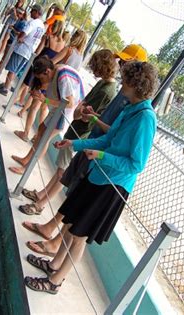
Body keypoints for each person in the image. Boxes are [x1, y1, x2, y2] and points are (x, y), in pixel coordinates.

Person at [23, 61, 159, 294]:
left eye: (126, 79)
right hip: (98, 176)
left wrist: (102, 156)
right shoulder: (129, 109)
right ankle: (54, 264)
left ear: (136, 84)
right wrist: (75, 143)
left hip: (111, 185)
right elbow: (107, 140)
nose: (122, 82)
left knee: (79, 237)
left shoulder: (145, 118)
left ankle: (55, 281)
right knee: (71, 223)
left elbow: (136, 164)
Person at [17, 49, 118, 216]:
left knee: (63, 171)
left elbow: (84, 111)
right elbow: (82, 104)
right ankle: (40, 195)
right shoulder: (103, 84)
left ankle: (40, 205)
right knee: (60, 168)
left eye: (95, 65)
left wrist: (80, 112)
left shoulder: (108, 90)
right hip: (76, 128)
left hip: (81, 133)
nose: (92, 68)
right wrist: (80, 111)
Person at [8, 56, 84, 175]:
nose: (41, 81)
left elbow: (70, 103)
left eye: (41, 78)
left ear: (47, 71)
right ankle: (26, 159)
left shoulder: (62, 77)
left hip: (65, 114)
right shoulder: (55, 71)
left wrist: (45, 100)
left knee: (44, 138)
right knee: (41, 129)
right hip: (58, 109)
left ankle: (26, 169)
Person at [14, 30, 88, 142]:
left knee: (34, 106)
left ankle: (26, 133)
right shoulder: (80, 56)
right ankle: (37, 136)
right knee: (45, 109)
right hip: (61, 91)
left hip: (51, 82)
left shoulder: (69, 49)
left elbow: (52, 63)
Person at [0, 4, 45, 96]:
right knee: (16, 70)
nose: (30, 12)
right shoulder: (42, 26)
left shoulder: (32, 22)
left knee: (12, 69)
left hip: (22, 49)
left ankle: (5, 89)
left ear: (37, 12)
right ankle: (7, 85)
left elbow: (23, 35)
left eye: (32, 10)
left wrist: (20, 38)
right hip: (29, 52)